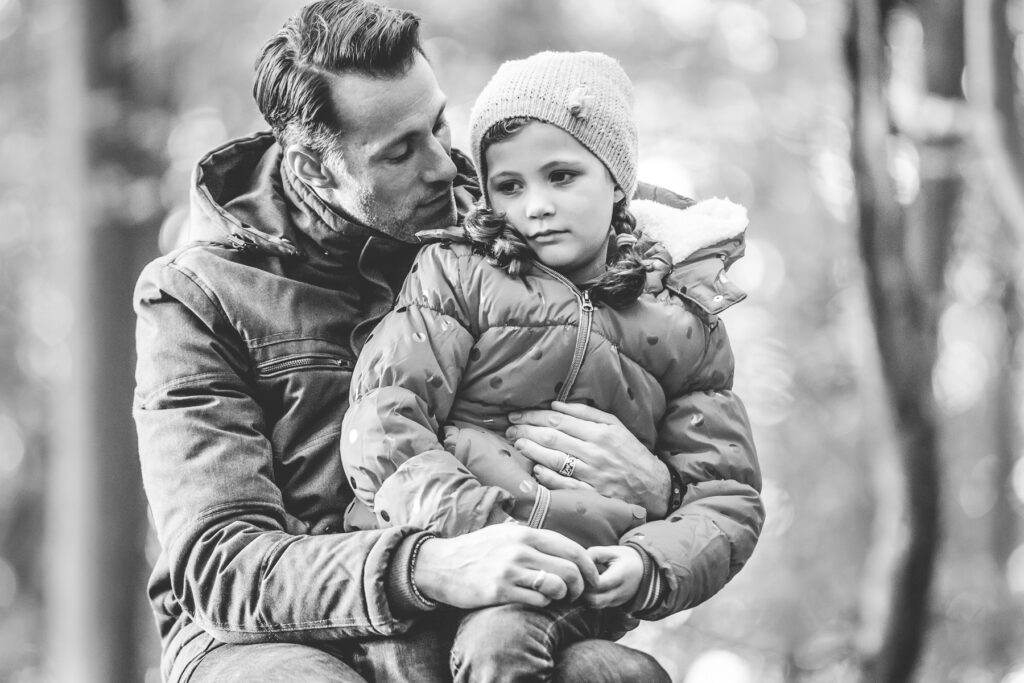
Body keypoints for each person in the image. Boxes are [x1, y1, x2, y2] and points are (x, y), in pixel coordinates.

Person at [133, 2, 750, 681]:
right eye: (399, 150)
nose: (441, 168)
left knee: (616, 672)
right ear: (314, 170)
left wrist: (654, 485)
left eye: (438, 125)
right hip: (264, 636)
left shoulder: (505, 226)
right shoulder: (197, 294)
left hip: (483, 614)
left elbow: (652, 317)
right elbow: (220, 563)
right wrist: (431, 563)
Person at [339, 50, 764, 682]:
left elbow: (724, 497)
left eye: (561, 176)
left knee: (504, 645)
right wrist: (475, 529)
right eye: (509, 186)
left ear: (616, 178)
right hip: (440, 548)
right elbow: (384, 421)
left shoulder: (683, 325)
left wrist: (649, 564)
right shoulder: (459, 273)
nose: (535, 205)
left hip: (572, 576)